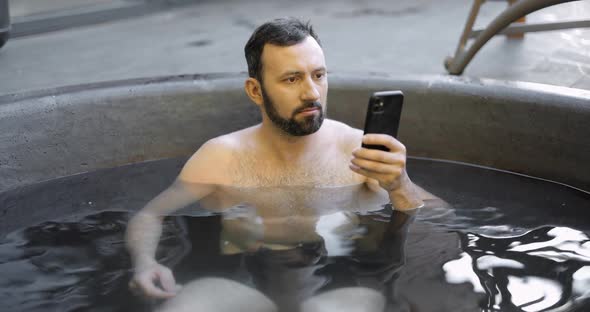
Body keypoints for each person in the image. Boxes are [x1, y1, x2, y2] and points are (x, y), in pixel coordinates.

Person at [125, 17, 442, 311]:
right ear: (255, 90)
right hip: (242, 287)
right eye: (292, 79)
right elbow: (150, 215)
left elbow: (439, 218)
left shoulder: (357, 149)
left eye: (318, 75)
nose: (311, 92)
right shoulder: (221, 157)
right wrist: (146, 263)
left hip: (343, 286)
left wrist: (401, 186)